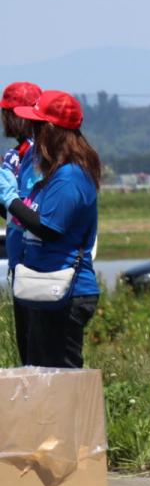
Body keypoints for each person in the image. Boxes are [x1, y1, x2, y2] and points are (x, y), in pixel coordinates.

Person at [1, 91, 101, 367]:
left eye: (37, 126)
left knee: (61, 377)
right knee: (39, 374)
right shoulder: (54, 173)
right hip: (44, 286)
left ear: (52, 130)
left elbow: (48, 227)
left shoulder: (71, 175)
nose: (32, 133)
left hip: (66, 290)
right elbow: (26, 217)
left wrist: (11, 199)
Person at [0, 81, 43, 359]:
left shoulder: (37, 155)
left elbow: (33, 211)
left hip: (36, 263)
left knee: (36, 351)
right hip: (20, 261)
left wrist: (8, 197)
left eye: (5, 113)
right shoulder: (15, 155)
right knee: (27, 348)